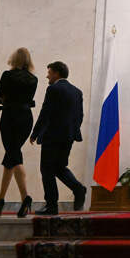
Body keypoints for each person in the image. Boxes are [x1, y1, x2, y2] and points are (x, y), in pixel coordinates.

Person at [30, 61, 87, 215]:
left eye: (49, 73)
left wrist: (35, 132)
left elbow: (45, 112)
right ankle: (78, 189)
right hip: (68, 137)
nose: (47, 76)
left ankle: (51, 206)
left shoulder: (53, 89)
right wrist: (72, 132)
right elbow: (80, 116)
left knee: (47, 169)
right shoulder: (77, 92)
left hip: (52, 136)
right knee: (59, 167)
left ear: (56, 73)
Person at [0, 48, 37, 218]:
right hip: (26, 118)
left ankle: (25, 197)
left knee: (13, 154)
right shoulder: (33, 79)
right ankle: (0, 199)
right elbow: (29, 99)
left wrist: (6, 98)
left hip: (10, 116)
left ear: (14, 59)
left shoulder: (7, 75)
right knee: (12, 154)